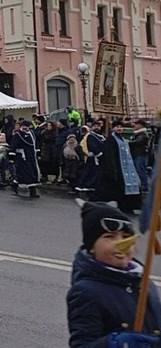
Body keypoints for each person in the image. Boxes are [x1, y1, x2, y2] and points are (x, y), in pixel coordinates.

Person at [67, 200, 161, 348]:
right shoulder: (85, 291)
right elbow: (81, 344)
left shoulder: (143, 280)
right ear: (92, 246)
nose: (120, 244)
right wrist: (116, 343)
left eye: (125, 237)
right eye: (110, 237)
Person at [96, 121, 142, 214]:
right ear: (113, 128)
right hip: (117, 167)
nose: (119, 129)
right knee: (119, 188)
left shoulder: (123, 139)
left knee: (130, 186)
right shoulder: (110, 140)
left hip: (127, 167)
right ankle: (122, 206)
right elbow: (109, 156)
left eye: (121, 127)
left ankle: (130, 206)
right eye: (117, 127)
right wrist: (112, 169)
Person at [9, 120, 41, 198]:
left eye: (27, 126)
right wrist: (11, 157)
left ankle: (15, 183)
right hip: (23, 157)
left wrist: (38, 153)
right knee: (28, 173)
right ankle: (32, 191)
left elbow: (35, 144)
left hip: (32, 156)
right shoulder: (18, 134)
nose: (25, 128)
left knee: (30, 172)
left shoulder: (31, 133)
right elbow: (13, 146)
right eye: (24, 126)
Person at [129, 119, 152, 191]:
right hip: (138, 154)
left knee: (141, 170)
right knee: (140, 170)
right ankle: (143, 185)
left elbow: (138, 141)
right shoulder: (138, 133)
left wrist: (128, 142)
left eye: (136, 124)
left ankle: (145, 186)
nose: (134, 125)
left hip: (140, 154)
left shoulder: (143, 134)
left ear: (140, 125)